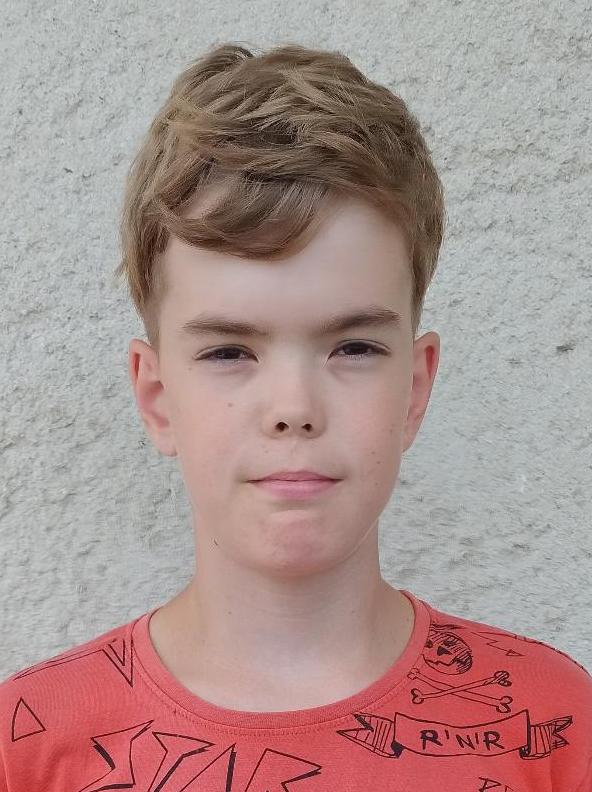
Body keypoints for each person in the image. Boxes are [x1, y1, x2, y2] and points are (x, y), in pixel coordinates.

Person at [1, 41, 590, 792]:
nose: (294, 410)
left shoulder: (555, 726)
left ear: (415, 388)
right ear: (157, 398)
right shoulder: (31, 746)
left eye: (353, 347)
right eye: (228, 352)